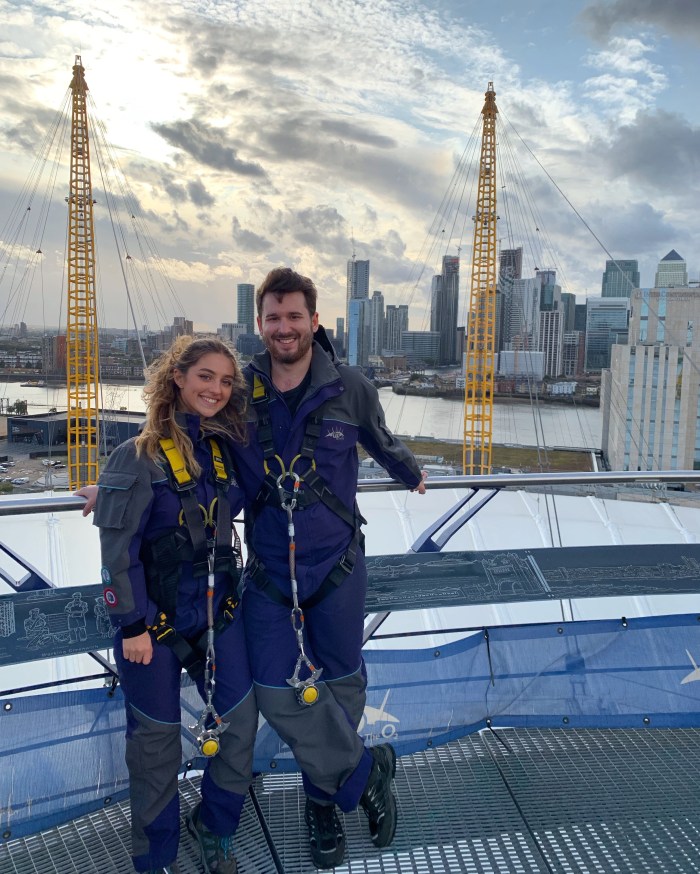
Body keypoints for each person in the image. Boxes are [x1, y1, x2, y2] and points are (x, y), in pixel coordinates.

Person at [231, 266, 427, 869]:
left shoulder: (351, 386)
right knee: (273, 689)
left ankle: (320, 800)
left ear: (314, 321)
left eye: (295, 316)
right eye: (273, 317)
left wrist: (410, 473)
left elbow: (381, 439)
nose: (284, 327)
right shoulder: (240, 390)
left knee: (342, 685)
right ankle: (365, 772)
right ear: (260, 323)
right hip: (269, 572)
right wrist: (121, 482)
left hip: (337, 567)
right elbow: (183, 437)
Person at [91, 336, 257, 874]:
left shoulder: (221, 452)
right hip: (150, 627)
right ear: (178, 378)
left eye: (226, 381)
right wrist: (131, 626)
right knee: (155, 745)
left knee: (240, 723)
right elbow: (117, 555)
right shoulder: (137, 456)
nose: (216, 389)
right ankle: (155, 856)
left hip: (216, 617)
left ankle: (215, 825)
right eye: (205, 376)